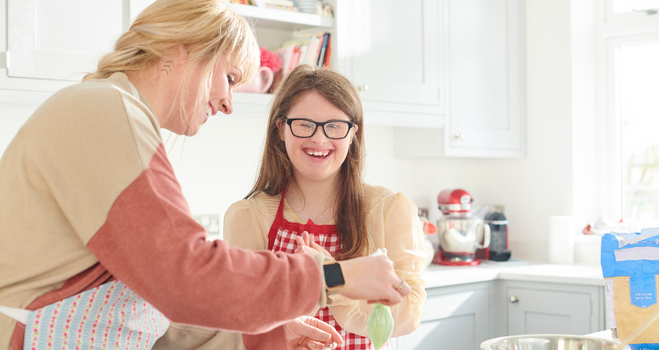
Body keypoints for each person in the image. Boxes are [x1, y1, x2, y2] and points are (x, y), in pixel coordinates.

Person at [0, 2, 410, 350]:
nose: (228, 103)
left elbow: (151, 318)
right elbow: (186, 276)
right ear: (187, 50)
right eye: (229, 78)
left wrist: (265, 337)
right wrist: (335, 276)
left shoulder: (111, 112)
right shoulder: (106, 110)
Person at [220, 65, 427, 349]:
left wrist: (333, 282)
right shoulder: (249, 216)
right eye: (305, 124)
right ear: (281, 129)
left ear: (353, 133)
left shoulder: (388, 210)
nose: (319, 139)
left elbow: (410, 312)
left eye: (335, 126)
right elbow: (242, 319)